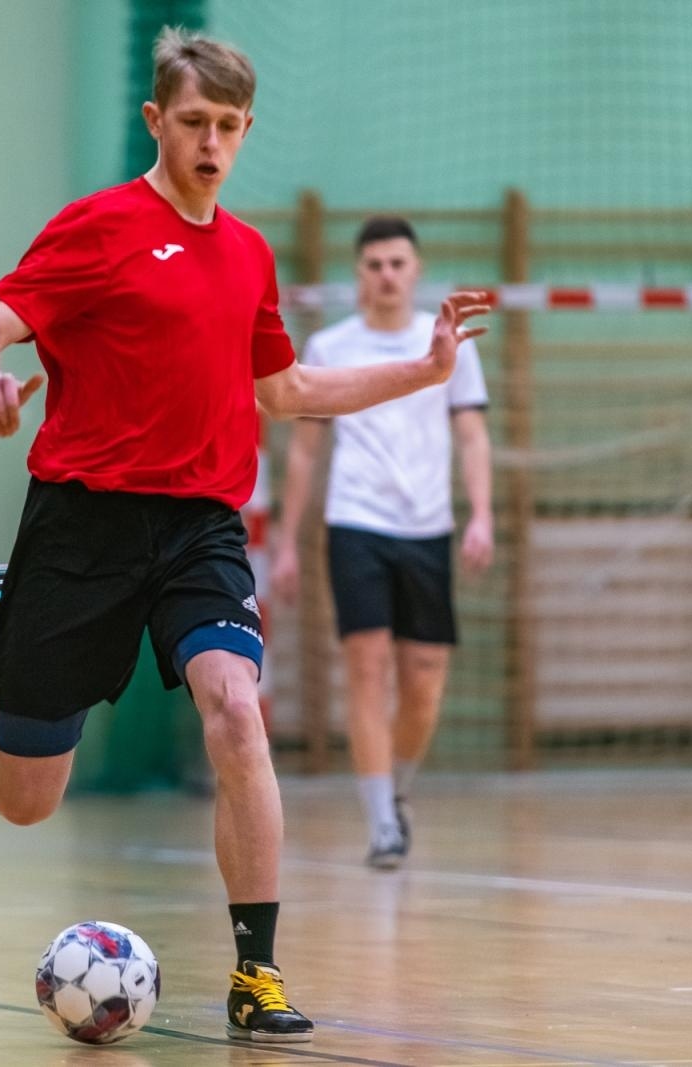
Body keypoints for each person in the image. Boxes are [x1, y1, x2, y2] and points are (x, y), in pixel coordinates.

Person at [0, 28, 489, 1044]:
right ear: (156, 120)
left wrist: (423, 369)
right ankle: (4, 627)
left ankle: (256, 972)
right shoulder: (96, 227)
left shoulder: (248, 253)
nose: (212, 143)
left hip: (200, 526)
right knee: (25, 802)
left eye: (229, 126)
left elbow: (288, 388)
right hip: (82, 525)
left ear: (246, 129)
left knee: (236, 712)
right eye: (194, 122)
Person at [272, 217, 495, 871]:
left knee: (423, 679)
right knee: (366, 668)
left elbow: (473, 436)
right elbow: (305, 452)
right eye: (374, 264)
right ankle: (381, 825)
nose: (387, 275)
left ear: (416, 270)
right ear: (358, 273)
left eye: (398, 263)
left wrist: (481, 515)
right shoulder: (330, 345)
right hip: (356, 522)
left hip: (428, 526)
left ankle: (397, 790)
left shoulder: (449, 343)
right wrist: (287, 544)